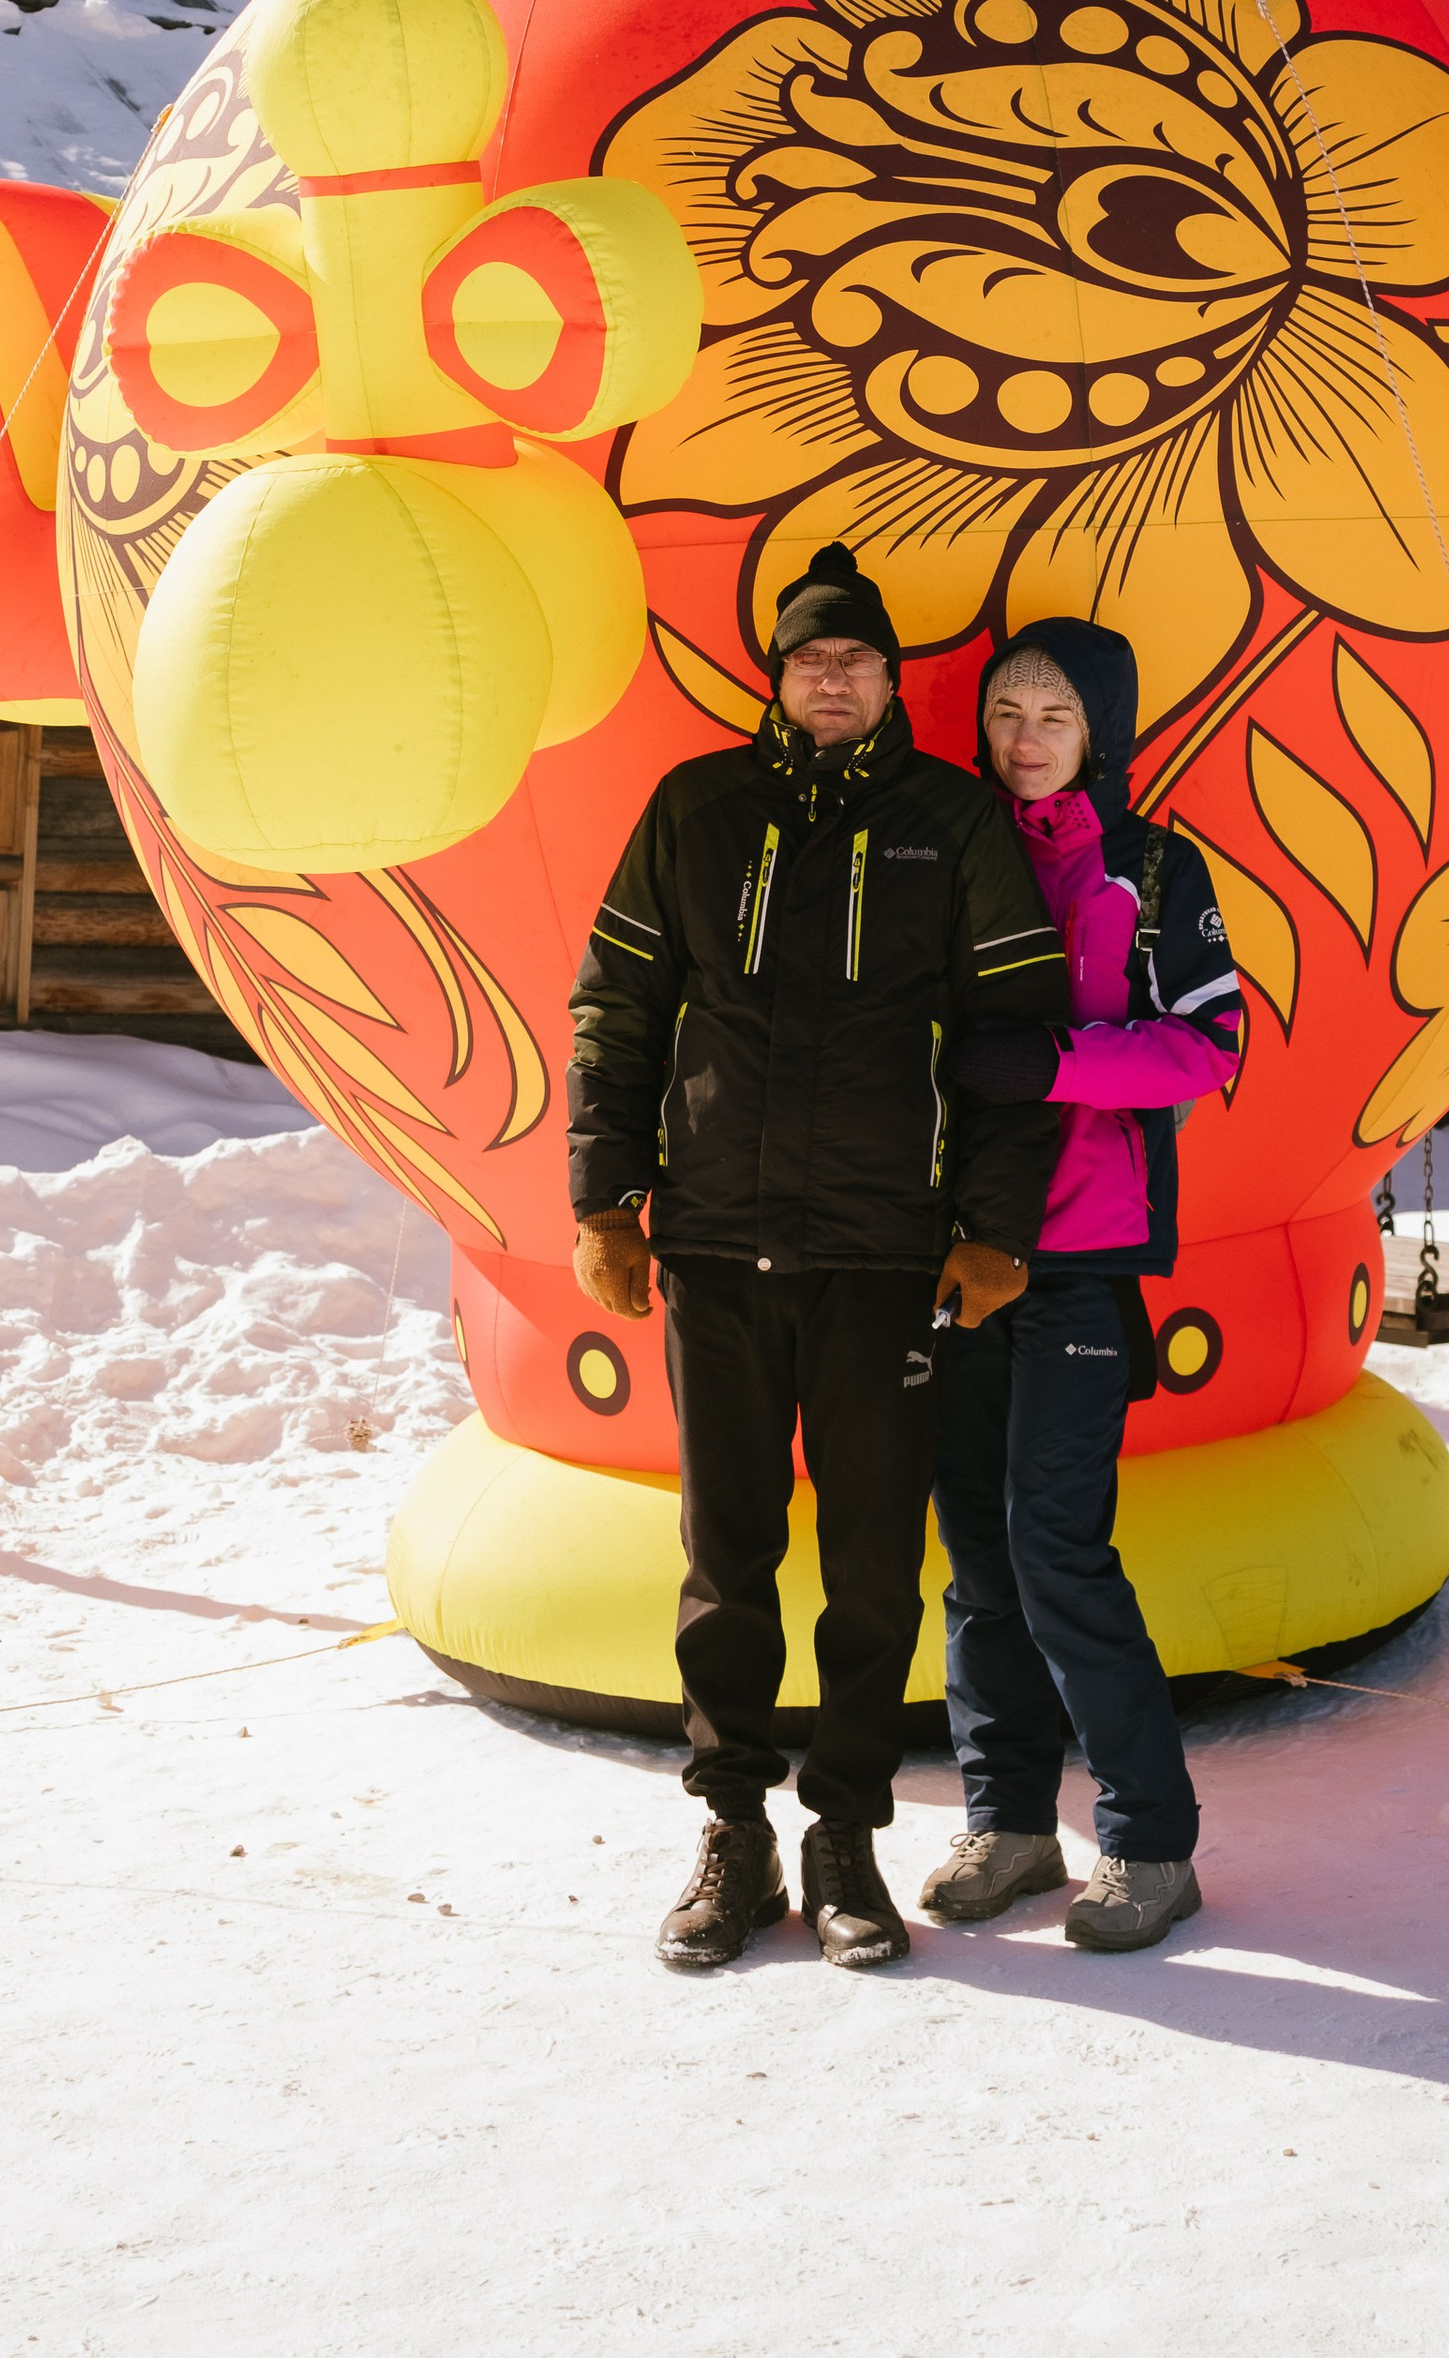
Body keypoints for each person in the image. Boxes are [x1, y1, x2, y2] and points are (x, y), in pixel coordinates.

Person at [567, 543, 1071, 1975]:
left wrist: (991, 1227)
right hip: (717, 1249)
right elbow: (616, 1009)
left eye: (856, 661)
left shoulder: (951, 823)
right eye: (809, 661)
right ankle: (732, 1833)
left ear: (894, 684)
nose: (832, 680)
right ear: (777, 681)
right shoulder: (697, 811)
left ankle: (843, 1832)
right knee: (725, 1560)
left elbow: (1017, 1041)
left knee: (866, 1568)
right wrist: (607, 1200)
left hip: (882, 1262)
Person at [921, 618, 1243, 1954]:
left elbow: (1208, 1046)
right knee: (981, 1560)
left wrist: (1050, 1062)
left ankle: (1150, 1845)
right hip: (957, 1259)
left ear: (1100, 729)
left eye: (1052, 713)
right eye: (1005, 711)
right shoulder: (947, 852)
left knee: (1057, 1549)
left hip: (1082, 1261)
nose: (1024, 738)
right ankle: (1007, 1826)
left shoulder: (1153, 868)